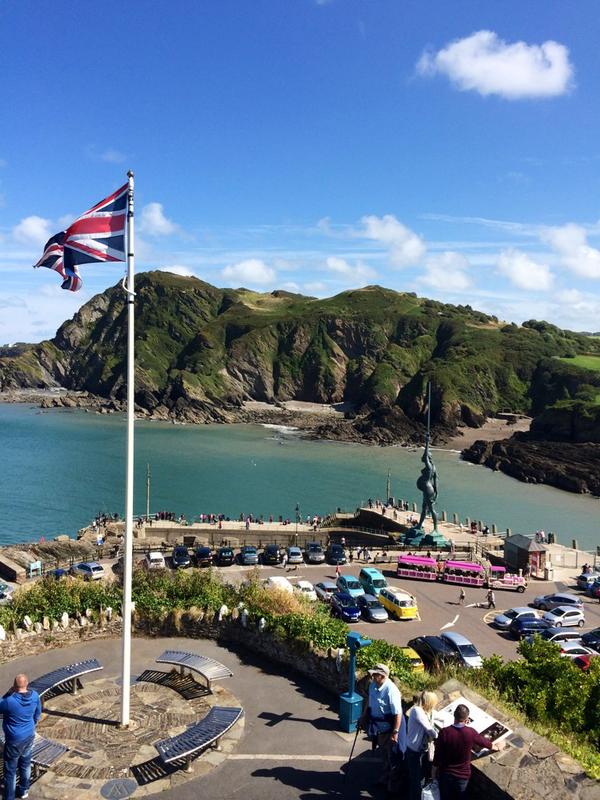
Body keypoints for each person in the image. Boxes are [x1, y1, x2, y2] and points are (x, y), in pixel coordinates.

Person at [433, 703, 505, 799]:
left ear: (454, 715)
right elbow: (484, 742)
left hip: (446, 773)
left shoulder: (444, 732)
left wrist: (433, 771)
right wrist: (496, 747)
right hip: (462, 775)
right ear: (467, 719)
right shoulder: (471, 732)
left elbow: (438, 754)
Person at [359, 664, 402, 791]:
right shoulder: (373, 685)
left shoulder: (391, 690)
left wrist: (395, 732)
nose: (372, 676)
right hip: (378, 728)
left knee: (391, 758)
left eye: (374, 674)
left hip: (388, 730)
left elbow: (397, 713)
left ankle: (392, 786)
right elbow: (369, 701)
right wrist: (363, 716)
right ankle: (384, 779)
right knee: (384, 755)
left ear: (382, 676)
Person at [0, 674, 42, 800]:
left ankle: (9, 797)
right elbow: (37, 713)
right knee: (25, 764)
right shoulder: (35, 696)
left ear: (14, 685)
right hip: (29, 735)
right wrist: (32, 724)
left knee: (10, 771)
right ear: (27, 683)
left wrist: (8, 693)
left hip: (14, 740)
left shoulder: (9, 701)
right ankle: (24, 790)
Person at [406, 691, 438, 800]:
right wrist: (440, 735)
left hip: (421, 750)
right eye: (433, 703)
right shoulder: (417, 711)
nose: (434, 706)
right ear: (429, 702)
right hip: (414, 752)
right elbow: (429, 730)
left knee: (421, 778)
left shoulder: (426, 711)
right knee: (416, 780)